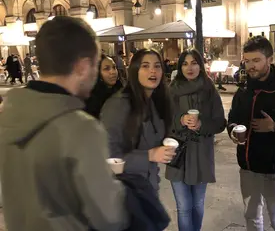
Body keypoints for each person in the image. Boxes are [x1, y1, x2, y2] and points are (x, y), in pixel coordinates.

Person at [0, 16, 129, 231]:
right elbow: (109, 216)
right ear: (82, 66)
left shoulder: (8, 116)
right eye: (96, 65)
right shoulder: (81, 128)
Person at [227, 36, 275, 231]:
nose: (251, 66)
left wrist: (274, 127)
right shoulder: (243, 89)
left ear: (269, 60)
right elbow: (232, 118)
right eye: (247, 60)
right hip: (247, 166)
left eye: (256, 60)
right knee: (251, 217)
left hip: (273, 168)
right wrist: (233, 131)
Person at [165, 50, 226, 231]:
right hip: (178, 155)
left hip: (201, 155)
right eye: (185, 63)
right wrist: (180, 120)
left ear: (200, 65)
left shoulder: (209, 90)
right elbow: (162, 122)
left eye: (193, 63)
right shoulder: (172, 90)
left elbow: (220, 123)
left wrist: (201, 125)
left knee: (197, 205)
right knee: (184, 207)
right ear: (180, 66)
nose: (189, 67)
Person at [101, 49, 175, 191]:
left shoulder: (155, 101)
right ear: (135, 71)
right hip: (123, 192)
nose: (152, 71)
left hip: (148, 188)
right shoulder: (118, 104)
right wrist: (149, 155)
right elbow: (108, 155)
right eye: (145, 66)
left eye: (157, 66)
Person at [85, 54, 123, 119]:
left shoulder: (122, 91)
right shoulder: (92, 101)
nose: (113, 72)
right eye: (106, 69)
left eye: (114, 67)